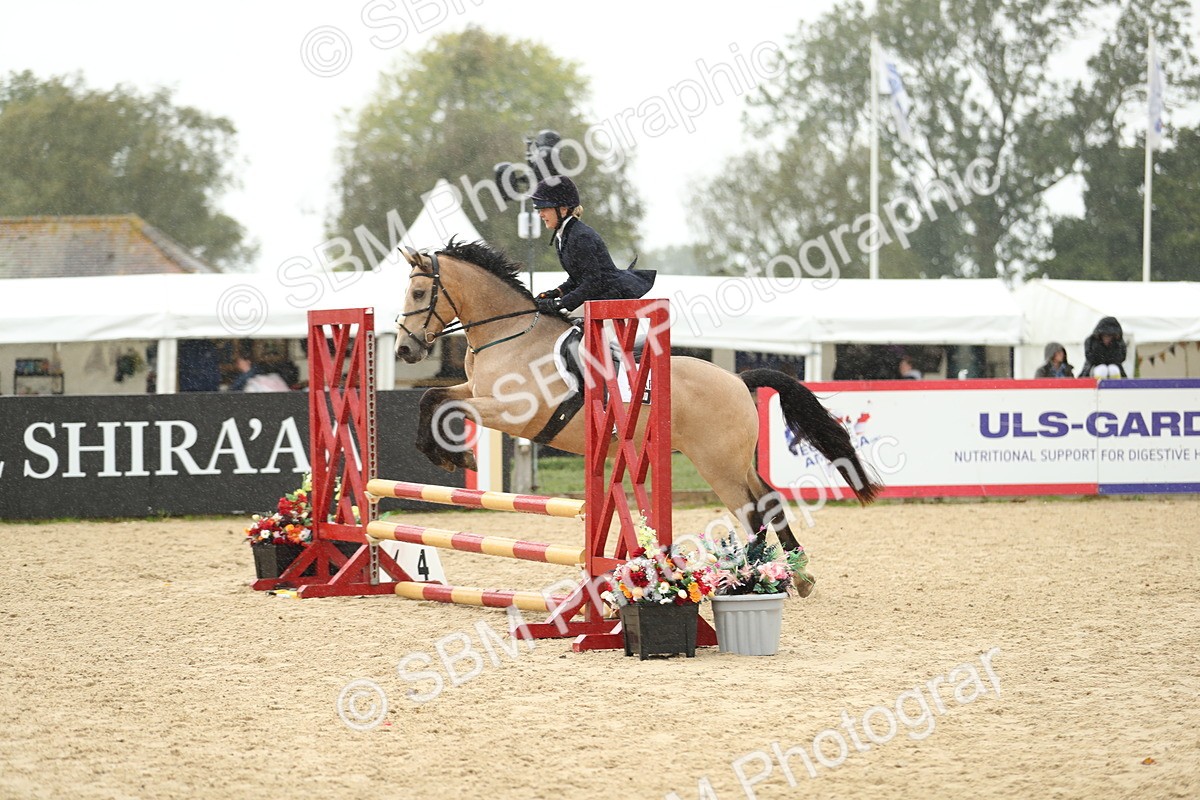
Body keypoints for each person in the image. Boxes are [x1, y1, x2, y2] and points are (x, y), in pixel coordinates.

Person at [530, 176, 656, 315]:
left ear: (564, 210)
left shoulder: (581, 236)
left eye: (545, 208)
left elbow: (593, 282)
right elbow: (577, 278)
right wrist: (557, 292)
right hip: (597, 297)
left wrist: (561, 303)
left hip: (612, 298)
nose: (540, 214)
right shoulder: (563, 236)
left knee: (570, 329)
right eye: (539, 209)